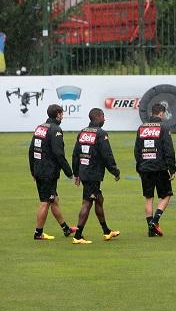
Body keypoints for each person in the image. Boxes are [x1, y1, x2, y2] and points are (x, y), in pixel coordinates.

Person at [71, 108, 121, 244]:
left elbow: (75, 154)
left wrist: (76, 173)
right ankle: (78, 236)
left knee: (99, 200)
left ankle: (106, 231)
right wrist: (115, 171)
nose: (104, 119)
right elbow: (107, 155)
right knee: (87, 203)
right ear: (97, 117)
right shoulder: (100, 133)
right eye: (103, 116)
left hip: (85, 172)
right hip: (93, 174)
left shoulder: (83, 132)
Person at [28, 104, 77, 240]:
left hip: (39, 170)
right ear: (58, 115)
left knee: (54, 199)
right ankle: (38, 233)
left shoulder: (40, 128)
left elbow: (31, 150)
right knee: (46, 201)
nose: (63, 116)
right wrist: (69, 173)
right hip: (48, 172)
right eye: (62, 114)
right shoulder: (55, 130)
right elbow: (58, 154)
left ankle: (66, 229)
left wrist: (33, 170)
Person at [134, 103, 176, 237]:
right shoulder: (163, 127)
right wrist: (172, 168)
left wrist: (139, 166)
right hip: (160, 167)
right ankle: (155, 221)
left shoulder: (141, 128)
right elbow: (169, 149)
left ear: (152, 113)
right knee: (166, 195)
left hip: (145, 167)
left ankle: (150, 229)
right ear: (161, 113)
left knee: (148, 198)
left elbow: (137, 150)